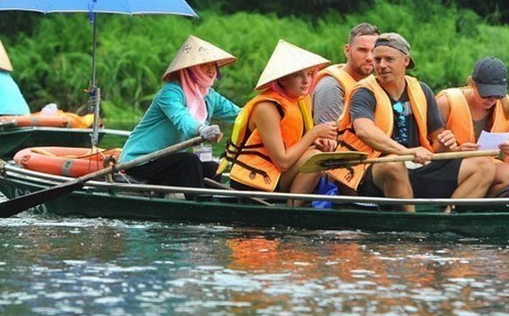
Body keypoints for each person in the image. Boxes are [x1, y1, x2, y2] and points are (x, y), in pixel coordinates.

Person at [334, 33, 495, 212]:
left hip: (417, 165)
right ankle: (411, 227)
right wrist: (405, 151)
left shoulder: (422, 90)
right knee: (393, 164)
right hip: (375, 169)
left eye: (389, 59)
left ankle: (448, 217)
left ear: (405, 61)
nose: (381, 65)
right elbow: (364, 130)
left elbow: (437, 140)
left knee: (484, 165)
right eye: (377, 59)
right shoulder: (364, 92)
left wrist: (448, 144)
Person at [221, 40, 338, 203]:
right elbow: (282, 162)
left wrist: (318, 141)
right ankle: (293, 210)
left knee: (319, 154)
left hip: (278, 174)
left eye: (310, 74)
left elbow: (295, 142)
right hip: (255, 181)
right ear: (282, 80)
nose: (306, 81)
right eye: (299, 75)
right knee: (316, 158)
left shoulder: (301, 100)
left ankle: (297, 205)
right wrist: (313, 134)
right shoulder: (266, 107)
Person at [120, 35, 241, 189]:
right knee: (189, 161)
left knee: (213, 167)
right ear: (192, 68)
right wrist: (202, 129)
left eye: (213, 65)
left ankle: (210, 203)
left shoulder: (210, 96)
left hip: (167, 160)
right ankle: (197, 207)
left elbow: (239, 114)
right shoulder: (170, 92)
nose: (211, 70)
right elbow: (182, 118)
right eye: (205, 65)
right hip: (140, 160)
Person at [436, 57, 509, 197]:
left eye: (497, 95)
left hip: (488, 165)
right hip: (453, 167)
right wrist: (457, 150)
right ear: (472, 84)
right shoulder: (446, 102)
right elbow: (429, 150)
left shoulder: (508, 107)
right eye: (486, 94)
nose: (491, 100)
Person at [313, 22, 380, 124]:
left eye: (374, 51)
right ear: (347, 50)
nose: (369, 58)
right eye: (362, 50)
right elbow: (330, 137)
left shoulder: (375, 84)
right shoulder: (331, 86)